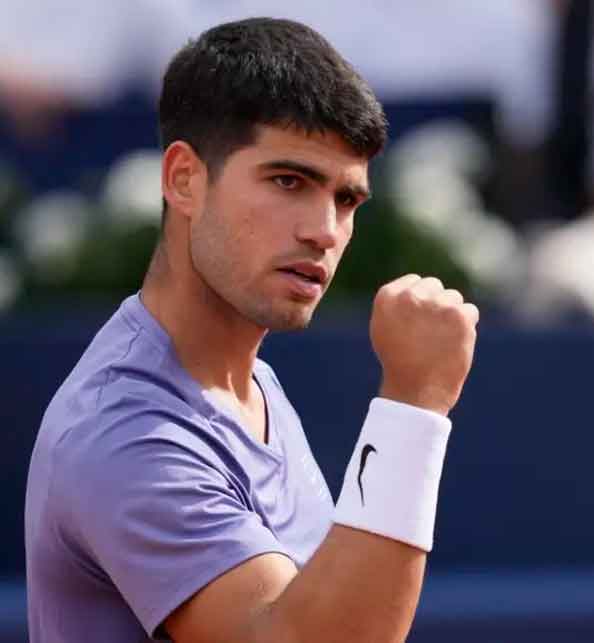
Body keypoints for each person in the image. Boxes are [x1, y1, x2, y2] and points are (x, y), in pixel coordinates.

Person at [24, 17, 479, 643]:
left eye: (346, 200)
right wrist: (412, 405)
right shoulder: (123, 430)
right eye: (288, 181)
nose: (324, 231)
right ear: (184, 180)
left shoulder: (255, 386)